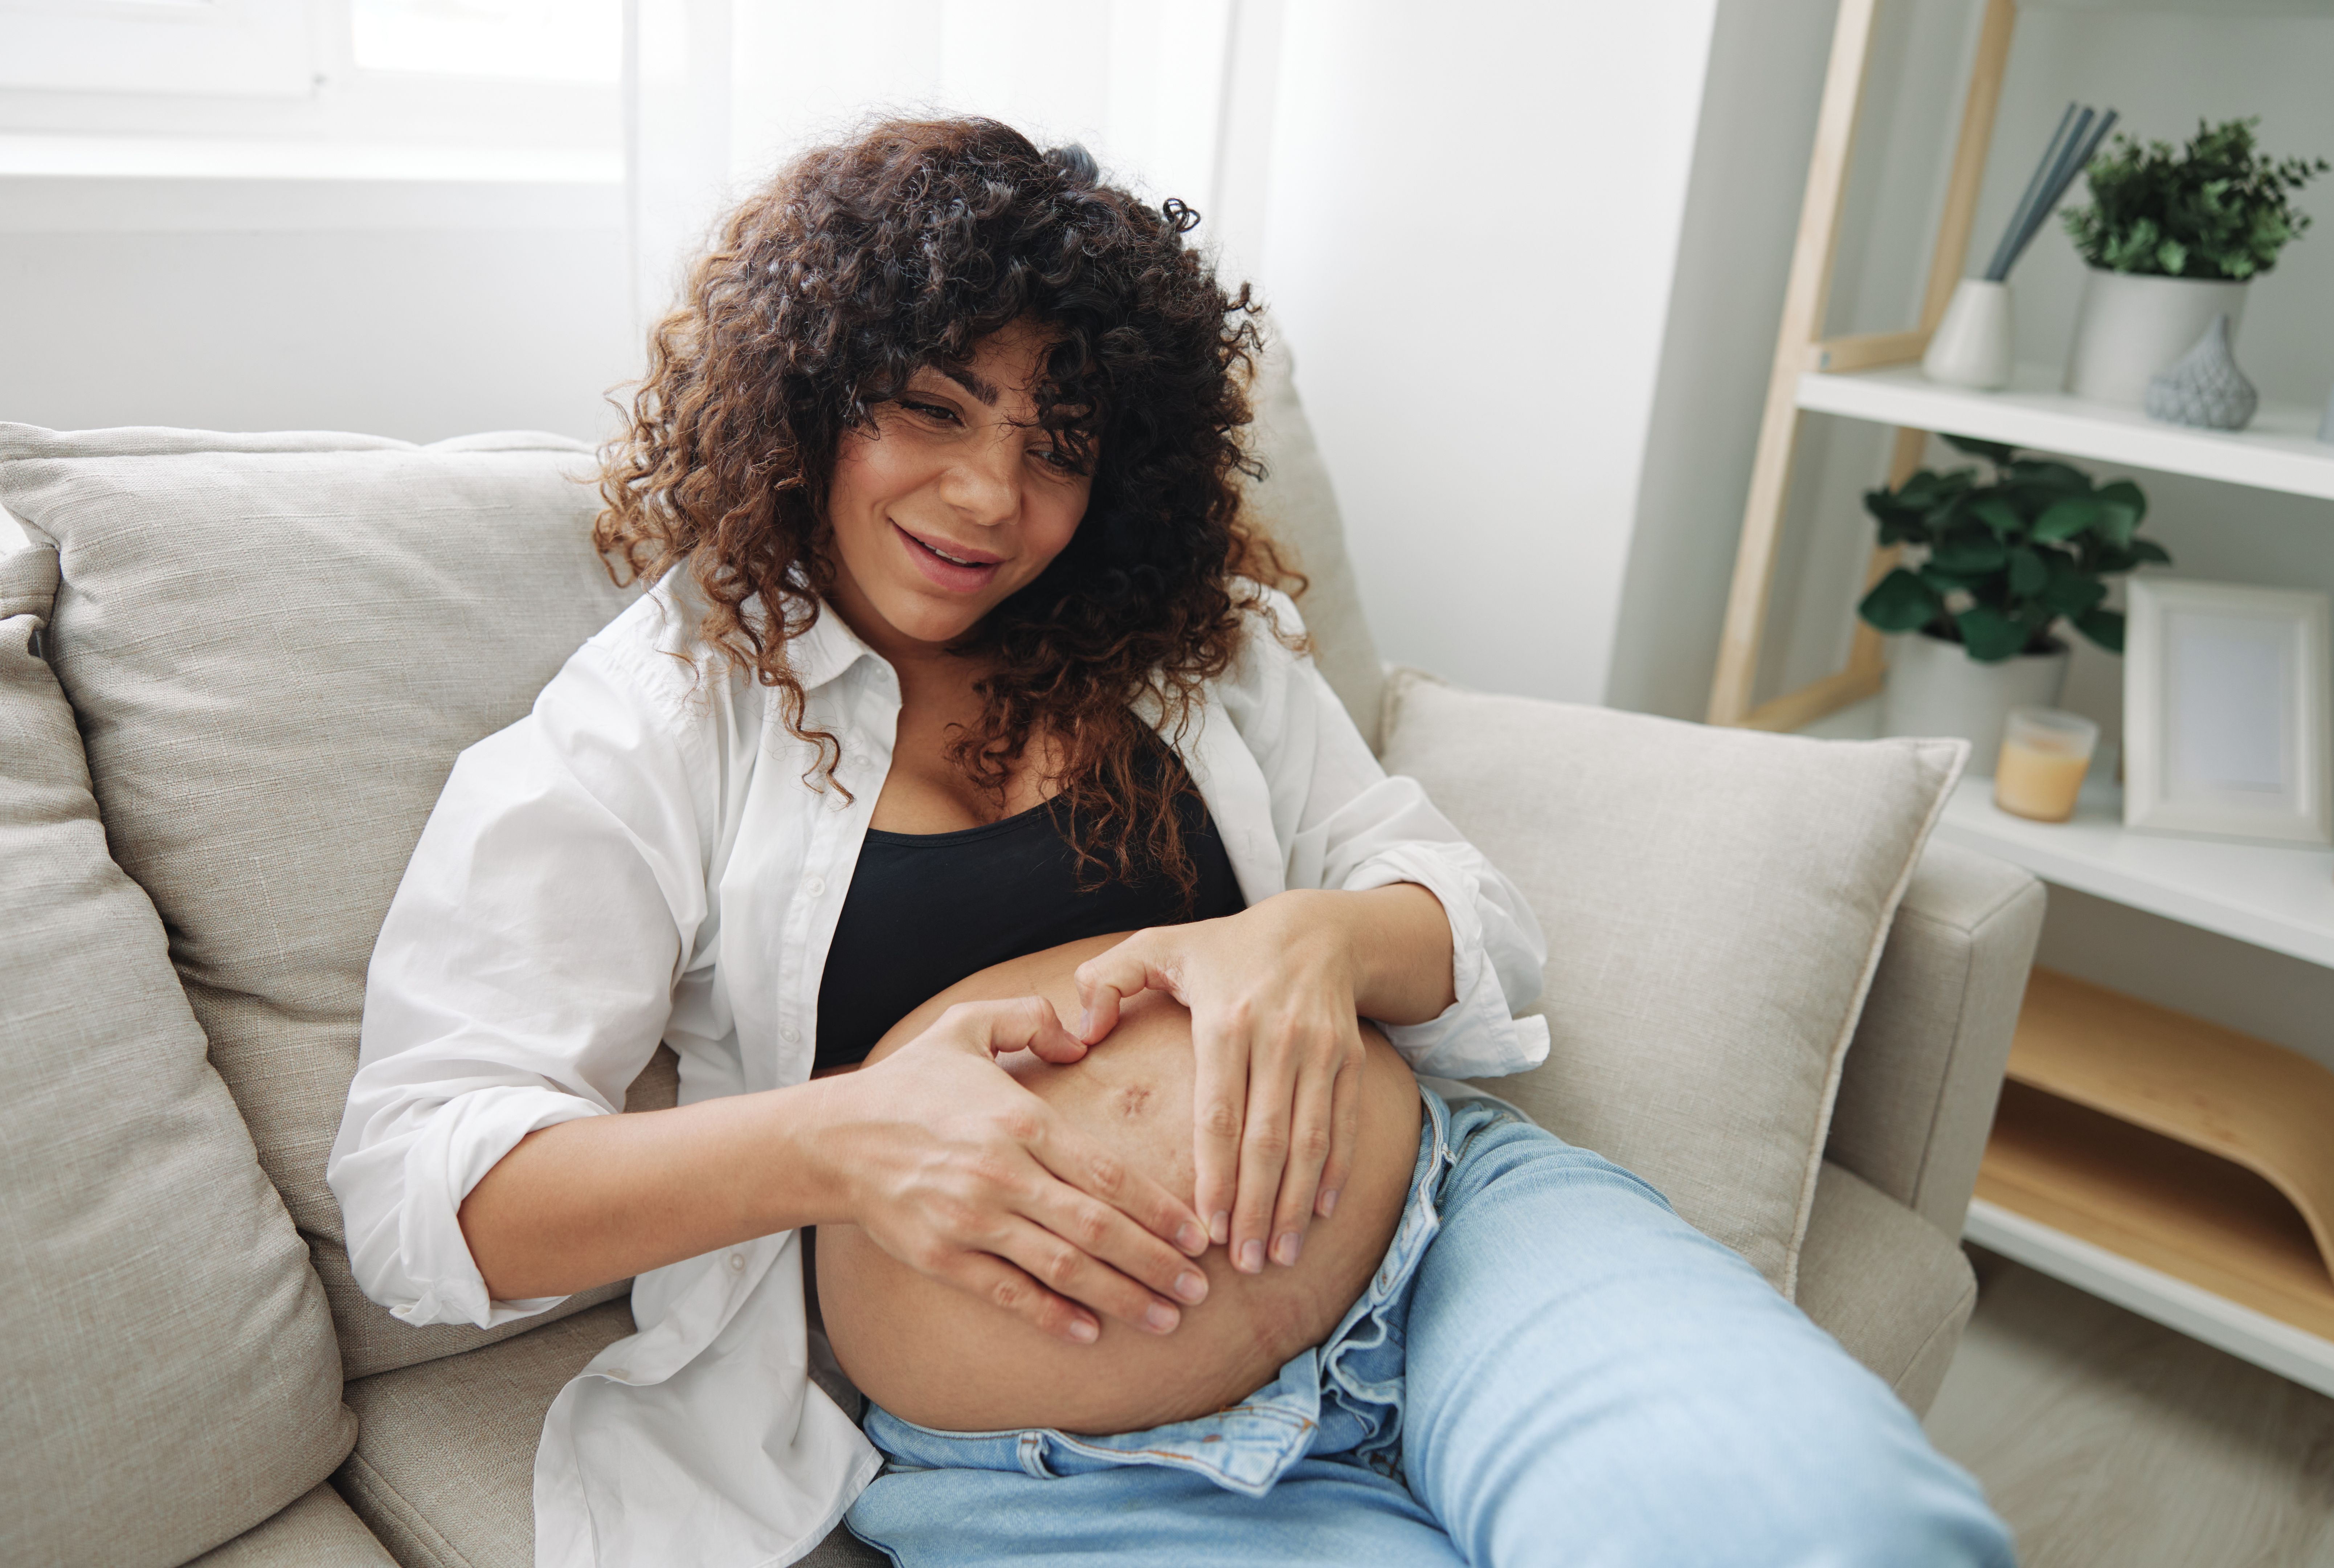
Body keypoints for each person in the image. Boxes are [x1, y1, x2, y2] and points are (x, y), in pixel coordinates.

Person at [328, 117, 2015, 1568]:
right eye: (932, 410)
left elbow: (1472, 918)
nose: (991, 499)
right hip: (1063, 1465)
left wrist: (1321, 940)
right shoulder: (658, 721)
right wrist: (839, 1141)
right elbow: (422, 1194)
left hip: (1450, 1242)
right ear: (809, 396)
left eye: (1057, 448)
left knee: (1849, 1535)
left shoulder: (1185, 644)